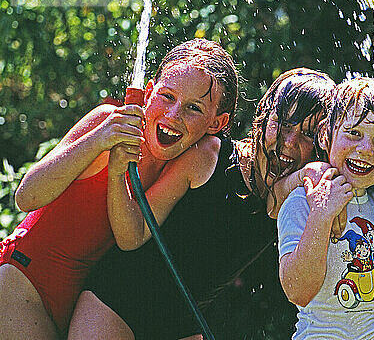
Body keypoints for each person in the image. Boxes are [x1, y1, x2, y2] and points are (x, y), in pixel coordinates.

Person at [67, 68, 337, 340]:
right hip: (116, 301)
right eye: (283, 125)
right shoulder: (209, 157)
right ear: (264, 115)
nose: (289, 143)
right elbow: (133, 233)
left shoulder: (294, 197)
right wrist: (116, 173)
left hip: (179, 325)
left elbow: (277, 196)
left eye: (308, 135)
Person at [0, 38, 237, 339]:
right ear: (148, 93)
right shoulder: (107, 123)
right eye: (167, 96)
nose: (173, 115)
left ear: (217, 123)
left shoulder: (186, 168)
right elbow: (26, 196)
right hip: (23, 283)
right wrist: (98, 140)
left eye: (193, 108)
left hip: (79, 309)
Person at [278, 77, 374, 339]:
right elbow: (297, 291)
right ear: (326, 135)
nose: (365, 149)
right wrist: (321, 215)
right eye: (353, 133)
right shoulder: (302, 202)